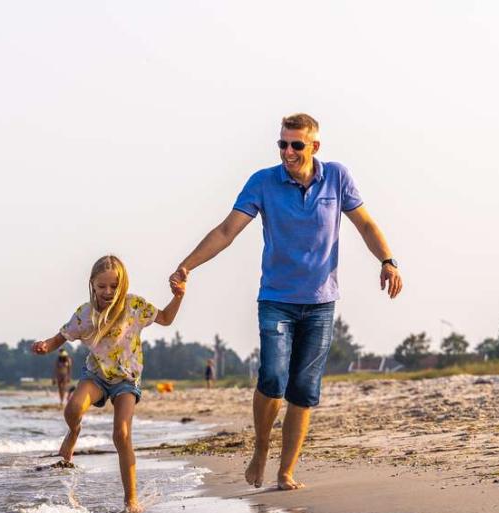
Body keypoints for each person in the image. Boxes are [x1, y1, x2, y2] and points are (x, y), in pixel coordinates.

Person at [170, 113, 403, 491]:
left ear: (314, 146)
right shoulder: (263, 182)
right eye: (283, 144)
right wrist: (187, 265)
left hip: (320, 302)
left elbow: (365, 224)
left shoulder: (337, 177)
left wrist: (388, 261)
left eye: (296, 144)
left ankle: (286, 471)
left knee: (304, 389)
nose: (288, 151)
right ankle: (262, 448)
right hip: (276, 299)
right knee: (273, 379)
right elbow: (227, 230)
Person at [32, 255, 185, 513]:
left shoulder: (134, 305)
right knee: (72, 409)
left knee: (121, 434)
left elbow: (166, 318)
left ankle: (131, 499)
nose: (108, 292)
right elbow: (62, 337)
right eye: (102, 286)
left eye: (114, 286)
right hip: (96, 376)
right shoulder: (85, 314)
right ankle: (74, 432)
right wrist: (46, 346)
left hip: (126, 379)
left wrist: (178, 296)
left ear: (122, 285)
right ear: (92, 284)